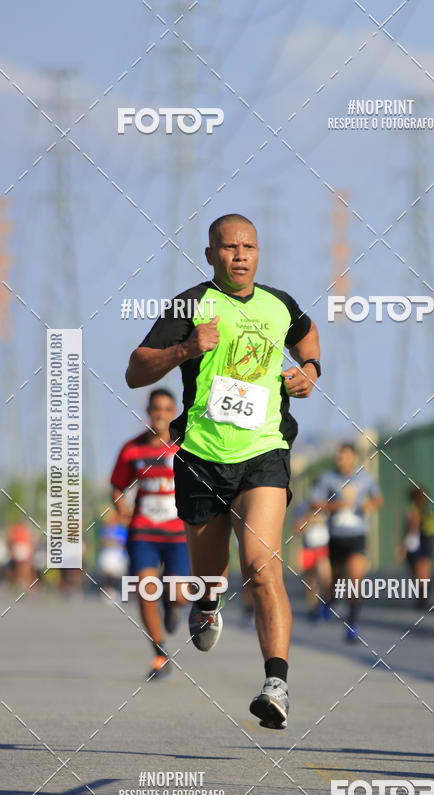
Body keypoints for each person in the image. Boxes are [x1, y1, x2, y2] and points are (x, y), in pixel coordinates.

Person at [125, 213, 320, 728]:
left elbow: (307, 333)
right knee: (207, 573)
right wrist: (187, 348)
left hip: (265, 451)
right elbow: (135, 369)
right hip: (203, 457)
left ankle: (275, 684)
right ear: (210, 254)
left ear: (259, 253)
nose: (239, 256)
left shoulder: (280, 304)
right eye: (228, 248)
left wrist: (310, 370)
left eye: (249, 247)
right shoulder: (190, 305)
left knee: (261, 564)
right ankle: (207, 599)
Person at [110, 388, 190, 679]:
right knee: (145, 591)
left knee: (179, 594)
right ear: (148, 411)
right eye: (155, 409)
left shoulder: (185, 447)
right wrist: (121, 507)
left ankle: (173, 604)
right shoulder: (132, 449)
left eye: (166, 409)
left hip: (178, 532)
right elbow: (118, 486)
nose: (160, 414)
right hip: (143, 531)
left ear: (173, 413)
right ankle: (160, 655)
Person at [310, 443, 382, 641]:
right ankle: (329, 601)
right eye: (338, 457)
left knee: (355, 579)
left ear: (353, 458)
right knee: (335, 580)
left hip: (357, 536)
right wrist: (336, 505)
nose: (340, 461)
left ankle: (352, 622)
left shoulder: (365, 478)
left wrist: (370, 504)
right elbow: (315, 502)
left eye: (344, 457)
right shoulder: (328, 479)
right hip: (336, 536)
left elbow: (378, 498)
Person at [293, 493, 331, 619]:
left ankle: (325, 603)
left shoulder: (328, 506)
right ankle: (313, 608)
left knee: (325, 577)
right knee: (310, 581)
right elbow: (297, 530)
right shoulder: (302, 507)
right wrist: (309, 518)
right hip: (308, 548)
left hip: (323, 548)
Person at [402, 487, 434, 610]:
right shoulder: (428, 512)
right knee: (422, 573)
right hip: (426, 543)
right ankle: (422, 599)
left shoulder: (414, 512)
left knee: (419, 573)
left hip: (418, 544)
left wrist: (403, 546)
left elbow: (411, 529)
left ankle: (422, 599)